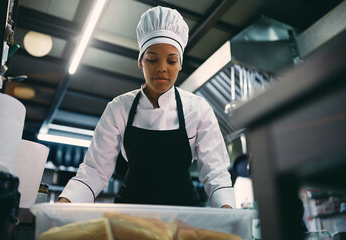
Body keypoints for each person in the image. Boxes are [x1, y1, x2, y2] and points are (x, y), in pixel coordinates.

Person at [58, 6, 235, 208]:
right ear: (141, 61)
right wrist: (64, 204)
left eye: (171, 60)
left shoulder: (197, 109)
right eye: (152, 59)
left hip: (184, 213)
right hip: (131, 211)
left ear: (180, 64)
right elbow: (94, 170)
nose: (162, 67)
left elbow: (216, 172)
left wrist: (227, 211)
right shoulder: (119, 108)